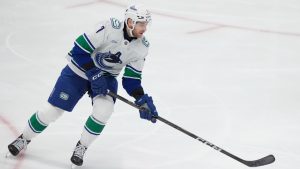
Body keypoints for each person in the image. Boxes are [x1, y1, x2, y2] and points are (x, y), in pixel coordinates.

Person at [7, 4, 158, 167]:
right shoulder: (108, 27)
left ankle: (82, 147)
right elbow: (78, 50)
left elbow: (131, 80)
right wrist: (93, 72)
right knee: (51, 111)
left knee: (104, 111)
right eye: (141, 24)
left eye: (146, 24)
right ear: (130, 22)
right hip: (78, 71)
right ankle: (24, 138)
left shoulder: (142, 47)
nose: (145, 28)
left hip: (106, 78)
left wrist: (141, 98)